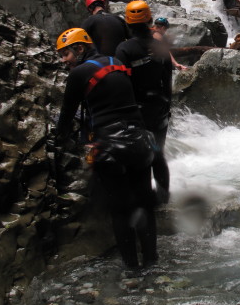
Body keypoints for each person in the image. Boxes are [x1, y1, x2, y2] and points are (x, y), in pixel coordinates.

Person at [54, 27, 165, 268]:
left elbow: (66, 115)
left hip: (110, 147)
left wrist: (58, 141)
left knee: (120, 209)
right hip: (140, 141)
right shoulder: (117, 61)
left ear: (80, 48)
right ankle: (151, 260)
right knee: (144, 203)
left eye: (66, 55)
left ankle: (132, 269)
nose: (64, 61)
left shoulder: (79, 73)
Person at [115, 1, 173, 153]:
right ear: (149, 20)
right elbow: (167, 78)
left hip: (135, 110)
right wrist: (168, 105)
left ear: (128, 23)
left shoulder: (124, 49)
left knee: (138, 158)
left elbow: (121, 84)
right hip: (159, 107)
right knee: (157, 154)